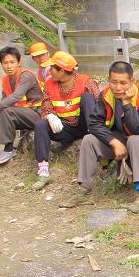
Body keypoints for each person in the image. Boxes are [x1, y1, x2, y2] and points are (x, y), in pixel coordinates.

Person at [62, 61, 139, 213]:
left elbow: (138, 128)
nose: (118, 87)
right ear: (108, 80)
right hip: (123, 135)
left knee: (134, 140)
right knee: (89, 140)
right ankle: (85, 190)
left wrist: (126, 103)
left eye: (123, 83)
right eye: (114, 82)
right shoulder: (106, 94)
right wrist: (114, 142)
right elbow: (94, 123)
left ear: (132, 81)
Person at [30, 51, 98, 190]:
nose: (49, 71)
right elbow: (46, 105)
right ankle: (43, 170)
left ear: (62, 71)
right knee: (40, 124)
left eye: (52, 68)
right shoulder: (49, 83)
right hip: (63, 127)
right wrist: (49, 115)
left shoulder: (86, 82)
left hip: (84, 125)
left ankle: (95, 139)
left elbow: (99, 104)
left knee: (87, 98)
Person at [0, 46, 43, 165]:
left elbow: (16, 97)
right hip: (20, 113)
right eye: (5, 63)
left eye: (12, 62)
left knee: (5, 111)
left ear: (19, 62)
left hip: (37, 114)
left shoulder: (26, 76)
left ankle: (9, 148)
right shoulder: (6, 79)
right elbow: (4, 101)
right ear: (1, 64)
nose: (9, 66)